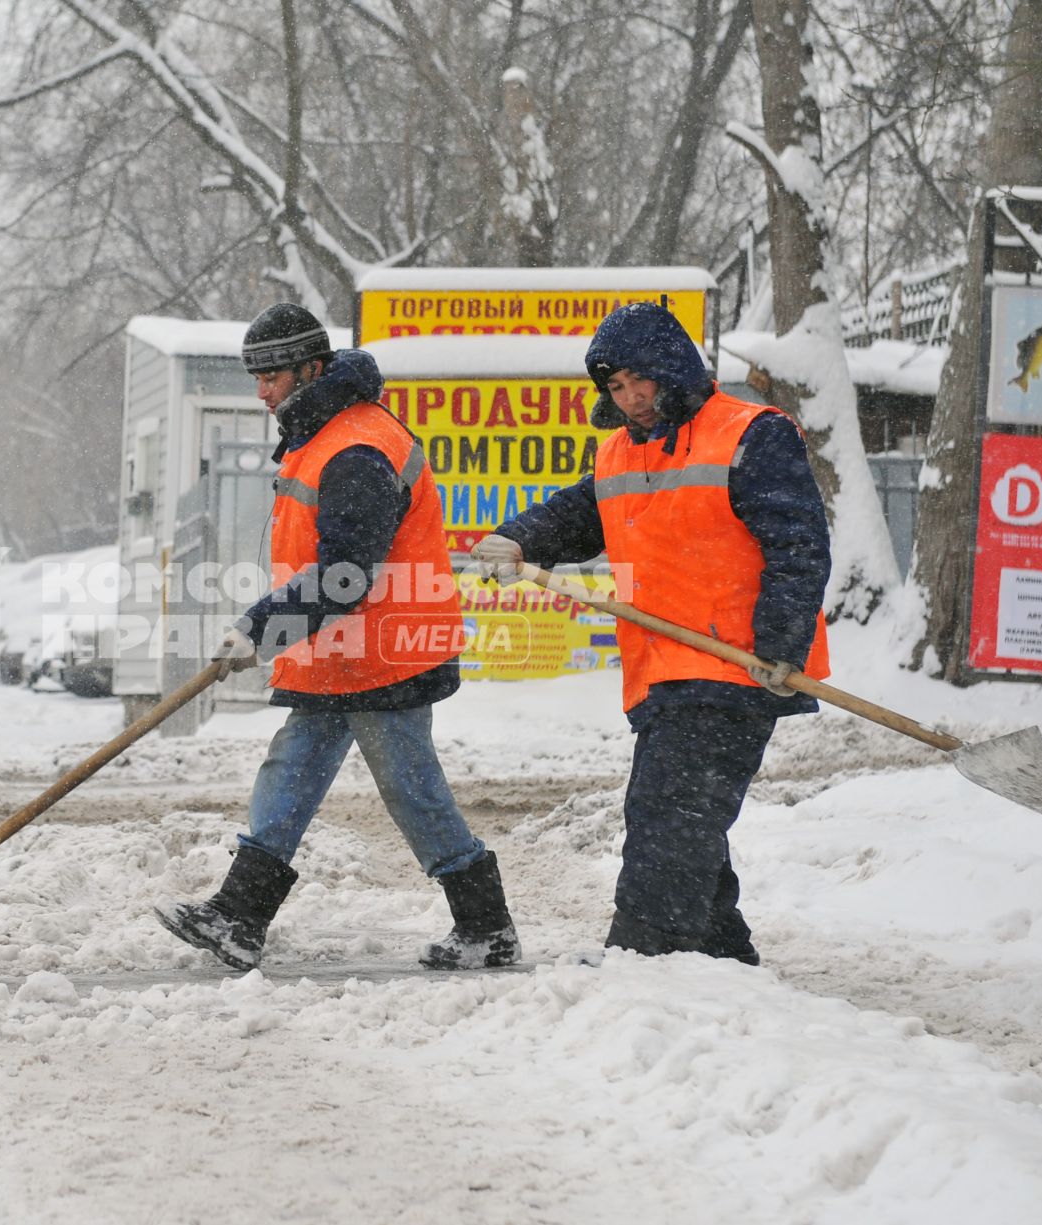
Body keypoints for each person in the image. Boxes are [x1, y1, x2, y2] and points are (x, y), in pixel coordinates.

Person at [155, 302, 520, 972]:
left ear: (312, 368)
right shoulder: (322, 435)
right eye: (255, 376)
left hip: (387, 651)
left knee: (412, 790)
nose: (261, 391)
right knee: (290, 771)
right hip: (339, 652)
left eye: (272, 376)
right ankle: (239, 915)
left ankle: (487, 924)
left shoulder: (358, 447)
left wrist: (261, 628)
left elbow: (347, 575)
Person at [471, 302, 831, 966]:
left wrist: (780, 643)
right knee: (683, 817)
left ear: (671, 368)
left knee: (667, 813)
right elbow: (580, 515)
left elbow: (799, 546)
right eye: (615, 387)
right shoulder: (617, 453)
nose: (631, 398)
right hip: (661, 668)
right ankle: (720, 954)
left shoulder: (752, 434)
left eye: (640, 379)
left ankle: (644, 954)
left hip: (736, 666)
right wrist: (519, 538)